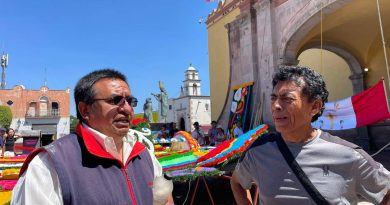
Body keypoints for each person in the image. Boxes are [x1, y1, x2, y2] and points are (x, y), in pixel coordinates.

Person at [231, 65, 390, 205]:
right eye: (274, 98)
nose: (276, 106)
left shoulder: (349, 154)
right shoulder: (258, 151)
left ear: (315, 106)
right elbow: (237, 182)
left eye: (287, 99)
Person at [12, 69, 172, 205]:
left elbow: (164, 199)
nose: (127, 109)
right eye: (116, 100)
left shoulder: (144, 155)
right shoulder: (48, 165)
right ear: (85, 110)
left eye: (130, 101)